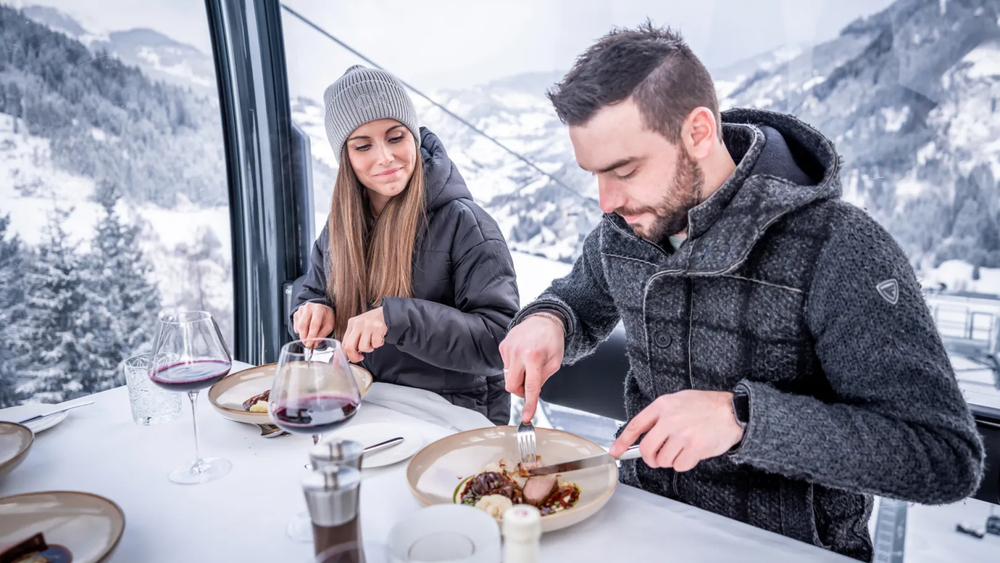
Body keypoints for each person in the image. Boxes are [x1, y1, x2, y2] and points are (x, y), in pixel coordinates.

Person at [499, 23, 984, 561]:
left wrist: (743, 419)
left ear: (699, 132)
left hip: (786, 546)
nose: (606, 202)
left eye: (625, 170)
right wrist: (549, 320)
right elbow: (578, 299)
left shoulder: (839, 247)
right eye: (594, 174)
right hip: (644, 520)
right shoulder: (628, 228)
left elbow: (944, 457)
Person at [291, 65, 519, 425]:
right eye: (363, 146)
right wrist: (311, 307)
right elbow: (314, 289)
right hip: (365, 403)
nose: (384, 157)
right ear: (345, 158)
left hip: (450, 415)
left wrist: (397, 320)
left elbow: (500, 342)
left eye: (395, 137)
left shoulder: (464, 223)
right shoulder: (340, 227)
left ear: (414, 137)